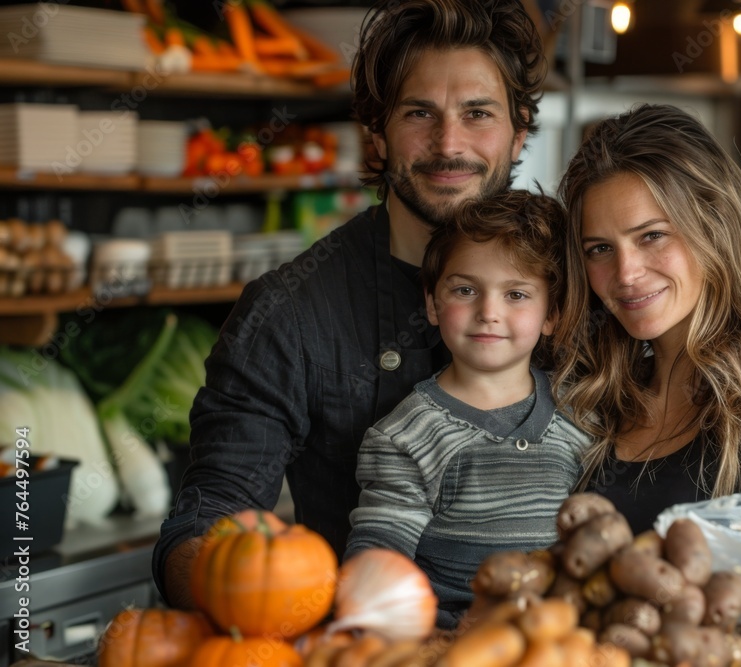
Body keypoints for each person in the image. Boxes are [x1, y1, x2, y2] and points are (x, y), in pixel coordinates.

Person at [152, 0, 546, 608]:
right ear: (377, 133)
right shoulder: (290, 310)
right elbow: (210, 513)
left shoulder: (577, 282)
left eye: (478, 114)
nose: (449, 143)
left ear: (518, 130)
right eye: (420, 112)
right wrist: (243, 586)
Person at [553, 104, 741, 533]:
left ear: (714, 228)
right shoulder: (592, 395)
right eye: (600, 249)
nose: (626, 274)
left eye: (651, 236)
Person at [345, 190, 589, 628]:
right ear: (433, 304)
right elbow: (380, 554)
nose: (488, 312)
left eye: (516, 294)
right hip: (451, 639)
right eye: (465, 289)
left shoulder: (578, 413)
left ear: (551, 314)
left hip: (558, 638)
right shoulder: (405, 436)